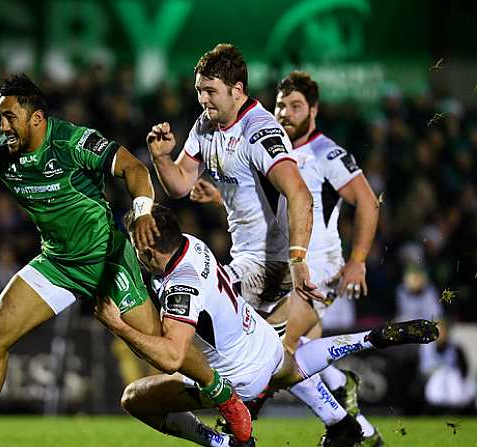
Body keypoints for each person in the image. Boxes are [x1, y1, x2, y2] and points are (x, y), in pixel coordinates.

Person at [0, 74, 252, 447]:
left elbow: (134, 169)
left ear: (36, 118)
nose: (2, 126)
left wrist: (142, 210)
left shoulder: (72, 142)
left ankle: (226, 396)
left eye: (9, 118)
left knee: (167, 349)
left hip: (108, 260)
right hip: (57, 263)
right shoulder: (1, 155)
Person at [94, 205, 438, 447]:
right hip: (264, 344)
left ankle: (219, 442)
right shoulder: (191, 243)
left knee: (135, 398)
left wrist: (118, 325)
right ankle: (370, 341)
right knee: (293, 366)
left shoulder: (180, 287)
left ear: (149, 251)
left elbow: (170, 357)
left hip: (237, 378)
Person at [147, 44, 357, 435]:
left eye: (211, 91)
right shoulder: (206, 125)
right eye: (199, 90)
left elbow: (299, 193)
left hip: (271, 263)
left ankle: (234, 412)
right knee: (274, 360)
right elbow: (178, 184)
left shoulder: (259, 131)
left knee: (200, 309)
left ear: (237, 91)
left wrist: (297, 261)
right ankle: (341, 418)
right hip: (245, 257)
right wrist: (161, 158)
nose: (203, 98)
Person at [194, 71, 383, 443]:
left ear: (313, 110)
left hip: (318, 270)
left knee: (273, 350)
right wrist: (219, 198)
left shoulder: (325, 152)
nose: (285, 112)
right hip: (282, 270)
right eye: (281, 104)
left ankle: (241, 423)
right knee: (299, 361)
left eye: (295, 106)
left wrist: (358, 259)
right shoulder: (273, 147)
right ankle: (358, 425)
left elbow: (367, 202)